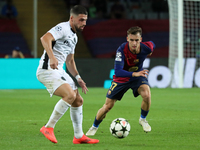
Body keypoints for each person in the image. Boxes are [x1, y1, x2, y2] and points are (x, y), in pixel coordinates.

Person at [36, 5, 99, 144]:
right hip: (47, 70)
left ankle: (79, 136)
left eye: (85, 20)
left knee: (78, 100)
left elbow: (70, 61)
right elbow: (44, 38)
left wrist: (78, 78)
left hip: (59, 71)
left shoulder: (74, 37)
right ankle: (48, 127)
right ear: (72, 18)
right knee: (69, 95)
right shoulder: (62, 28)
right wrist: (52, 57)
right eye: (81, 20)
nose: (84, 24)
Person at [86, 26, 155, 136]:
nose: (134, 43)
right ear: (127, 38)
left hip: (137, 77)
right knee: (107, 106)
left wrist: (149, 53)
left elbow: (152, 44)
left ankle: (143, 119)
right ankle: (94, 126)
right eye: (131, 40)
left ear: (140, 40)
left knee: (147, 94)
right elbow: (118, 72)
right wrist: (134, 73)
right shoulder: (122, 50)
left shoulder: (147, 47)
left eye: (136, 40)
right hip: (121, 79)